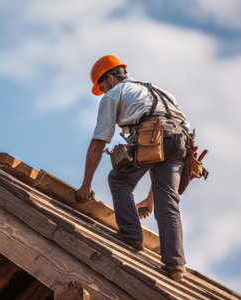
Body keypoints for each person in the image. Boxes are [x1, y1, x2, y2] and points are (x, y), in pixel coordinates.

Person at [76, 55, 190, 282]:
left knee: (119, 180)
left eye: (102, 86)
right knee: (167, 202)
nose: (102, 91)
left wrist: (85, 186)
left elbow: (99, 141)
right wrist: (150, 199)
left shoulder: (114, 94)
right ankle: (175, 266)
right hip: (182, 140)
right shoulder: (159, 90)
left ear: (109, 78)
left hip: (156, 132)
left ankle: (130, 235)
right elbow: (167, 144)